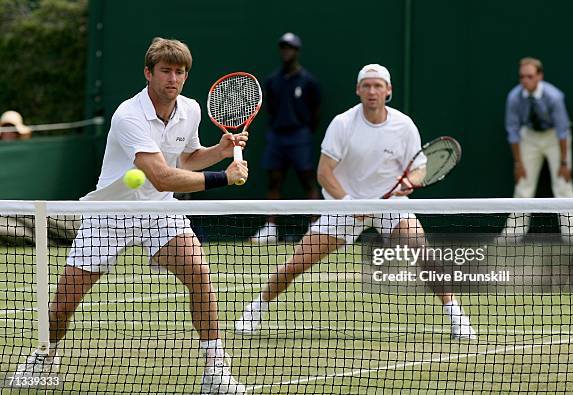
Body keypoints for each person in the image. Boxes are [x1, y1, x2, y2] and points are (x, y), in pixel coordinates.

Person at [13, 37, 248, 394]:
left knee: (199, 273)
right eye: (166, 71)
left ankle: (216, 370)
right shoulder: (128, 115)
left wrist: (219, 150)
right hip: (110, 214)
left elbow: (184, 159)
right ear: (148, 73)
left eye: (180, 72)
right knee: (62, 306)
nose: (173, 78)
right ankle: (44, 357)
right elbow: (161, 174)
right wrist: (224, 177)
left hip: (158, 211)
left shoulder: (191, 110)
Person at [236, 64, 476, 340]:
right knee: (296, 265)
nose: (372, 91)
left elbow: (419, 167)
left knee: (424, 254)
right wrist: (351, 204)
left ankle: (457, 317)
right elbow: (324, 174)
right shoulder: (342, 124)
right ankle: (255, 309)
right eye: (367, 85)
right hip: (344, 205)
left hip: (390, 207)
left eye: (378, 86)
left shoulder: (404, 125)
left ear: (388, 91)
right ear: (358, 90)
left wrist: (411, 181)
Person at [499, 57, 573, 243]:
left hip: (555, 138)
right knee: (523, 186)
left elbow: (562, 131)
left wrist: (564, 163)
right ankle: (512, 236)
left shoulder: (554, 97)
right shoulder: (514, 97)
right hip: (529, 137)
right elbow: (512, 131)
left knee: (563, 185)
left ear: (539, 76)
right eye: (522, 77)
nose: (525, 81)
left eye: (529, 76)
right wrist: (518, 163)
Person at [250, 32, 322, 244]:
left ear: (297, 51)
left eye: (290, 48)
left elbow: (315, 112)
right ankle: (270, 228)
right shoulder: (272, 81)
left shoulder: (309, 82)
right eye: (283, 47)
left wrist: (304, 131)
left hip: (300, 135)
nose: (286, 51)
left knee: (308, 180)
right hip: (277, 137)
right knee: (274, 180)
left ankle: (314, 227)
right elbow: (271, 110)